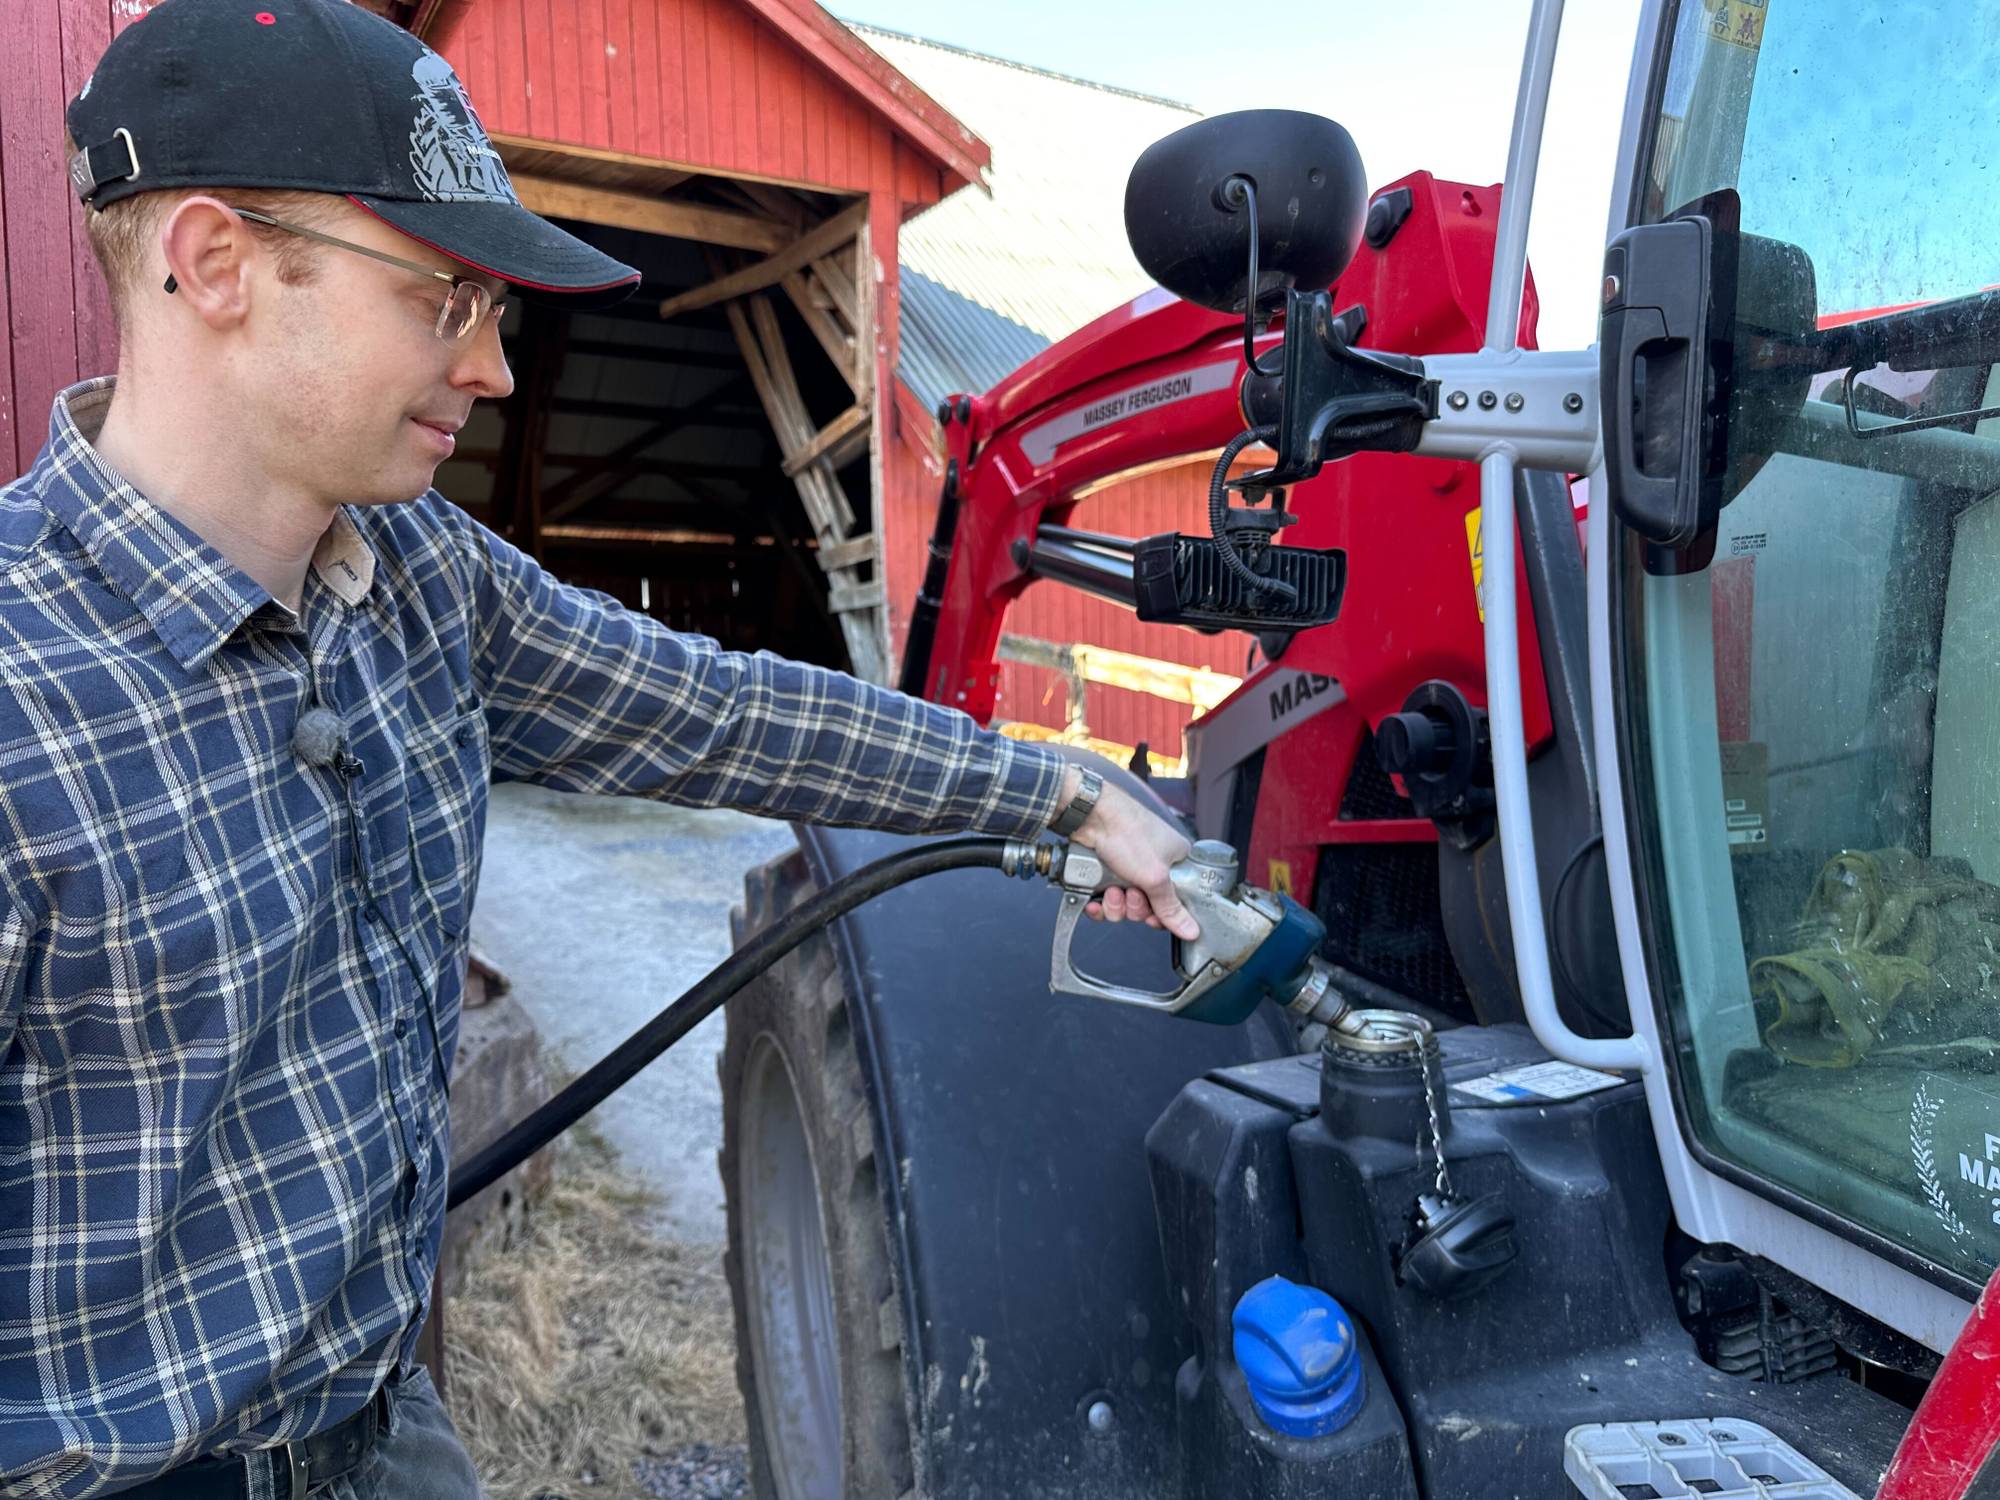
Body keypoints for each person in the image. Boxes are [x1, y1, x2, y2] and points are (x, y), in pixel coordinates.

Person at [0, 2, 1199, 1495]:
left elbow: (726, 712)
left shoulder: (423, 579)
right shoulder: (22, 691)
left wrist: (1062, 793)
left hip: (386, 1424)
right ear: (217, 264)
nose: (495, 369)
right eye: (443, 297)